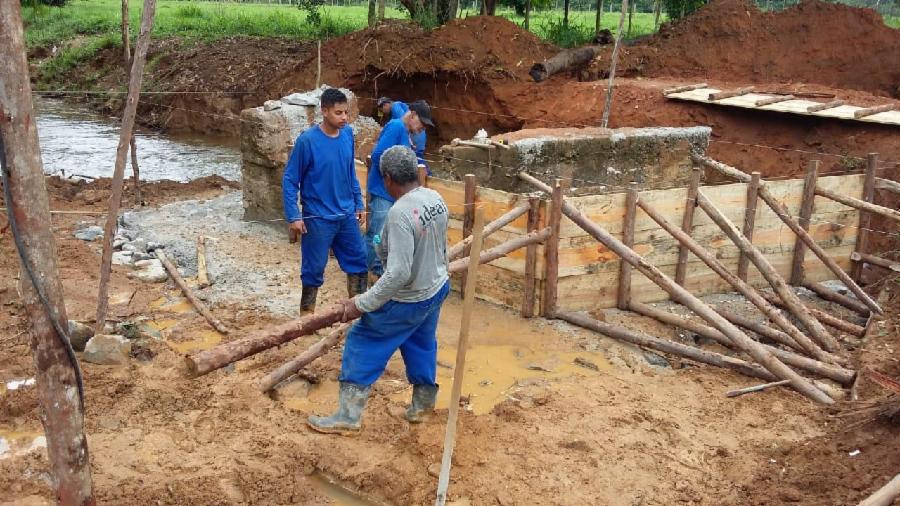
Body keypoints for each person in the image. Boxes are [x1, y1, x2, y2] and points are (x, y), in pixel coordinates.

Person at [307, 145, 450, 435]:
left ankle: (348, 417)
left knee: (363, 341)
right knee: (421, 343)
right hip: (435, 289)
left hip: (407, 299)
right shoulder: (434, 198)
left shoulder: (399, 214)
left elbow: (398, 273)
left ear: (387, 178)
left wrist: (362, 303)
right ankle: (422, 407)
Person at [282, 88, 368, 316]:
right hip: (318, 218)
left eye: (346, 113)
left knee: (359, 260)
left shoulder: (347, 135)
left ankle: (358, 314)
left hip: (346, 215)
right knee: (314, 268)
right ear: (324, 111)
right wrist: (294, 215)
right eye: (338, 113)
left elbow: (350, 172)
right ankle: (306, 317)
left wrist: (359, 203)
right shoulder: (307, 141)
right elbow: (291, 180)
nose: (344, 118)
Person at [366, 100, 434, 280]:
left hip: (389, 191)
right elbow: (378, 155)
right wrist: (393, 176)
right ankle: (364, 271)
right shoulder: (396, 126)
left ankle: (377, 271)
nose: (422, 129)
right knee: (377, 235)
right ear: (412, 114)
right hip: (382, 190)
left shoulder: (403, 131)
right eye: (422, 123)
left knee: (384, 235)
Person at [376, 97, 428, 167]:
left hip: (415, 140)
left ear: (386, 105)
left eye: (382, 109)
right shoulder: (399, 108)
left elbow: (403, 123)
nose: (383, 112)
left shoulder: (395, 106)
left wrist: (409, 140)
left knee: (417, 161)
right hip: (417, 140)